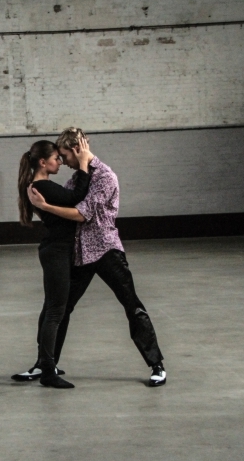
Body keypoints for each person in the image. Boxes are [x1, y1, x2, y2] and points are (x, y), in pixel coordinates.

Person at [16, 128, 167, 387]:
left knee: (131, 305)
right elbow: (66, 202)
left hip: (106, 250)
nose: (63, 162)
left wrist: (45, 206)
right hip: (80, 253)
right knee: (61, 308)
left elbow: (81, 214)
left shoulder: (105, 177)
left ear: (77, 151)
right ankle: (46, 364)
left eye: (64, 155)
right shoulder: (77, 179)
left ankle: (157, 365)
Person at [14, 135, 92, 389]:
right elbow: (77, 197)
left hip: (55, 250)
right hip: (57, 251)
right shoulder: (43, 186)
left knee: (51, 307)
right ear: (42, 162)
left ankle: (44, 363)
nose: (59, 162)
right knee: (56, 311)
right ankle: (48, 371)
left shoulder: (39, 185)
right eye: (56, 159)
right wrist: (83, 164)